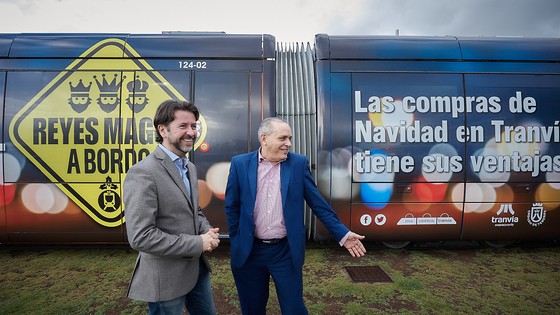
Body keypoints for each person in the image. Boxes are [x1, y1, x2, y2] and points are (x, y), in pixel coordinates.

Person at [224, 117, 366, 315]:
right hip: (250, 252)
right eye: (283, 138)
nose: (288, 144)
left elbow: (318, 203)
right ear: (264, 139)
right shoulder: (240, 164)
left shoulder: (298, 163)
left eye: (290, 138)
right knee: (252, 309)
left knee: (294, 309)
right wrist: (237, 237)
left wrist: (342, 234)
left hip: (285, 251)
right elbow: (232, 205)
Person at [124, 99, 220, 315]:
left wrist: (206, 230)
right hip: (166, 278)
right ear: (163, 130)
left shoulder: (190, 167)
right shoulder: (143, 173)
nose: (191, 132)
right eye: (183, 126)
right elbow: (141, 236)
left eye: (194, 126)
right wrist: (198, 242)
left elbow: (193, 210)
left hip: (196, 270)